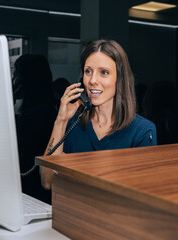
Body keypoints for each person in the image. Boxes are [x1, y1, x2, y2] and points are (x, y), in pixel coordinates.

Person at [40, 40, 157, 190]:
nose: (93, 81)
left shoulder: (143, 131)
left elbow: (142, 192)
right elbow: (48, 181)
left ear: (120, 79)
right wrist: (60, 121)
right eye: (88, 71)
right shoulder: (72, 124)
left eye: (104, 72)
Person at [12, 54, 57, 204]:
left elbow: (15, 151)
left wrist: (9, 99)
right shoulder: (44, 109)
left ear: (26, 80)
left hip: (33, 193)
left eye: (15, 74)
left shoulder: (38, 116)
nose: (13, 80)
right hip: (27, 190)